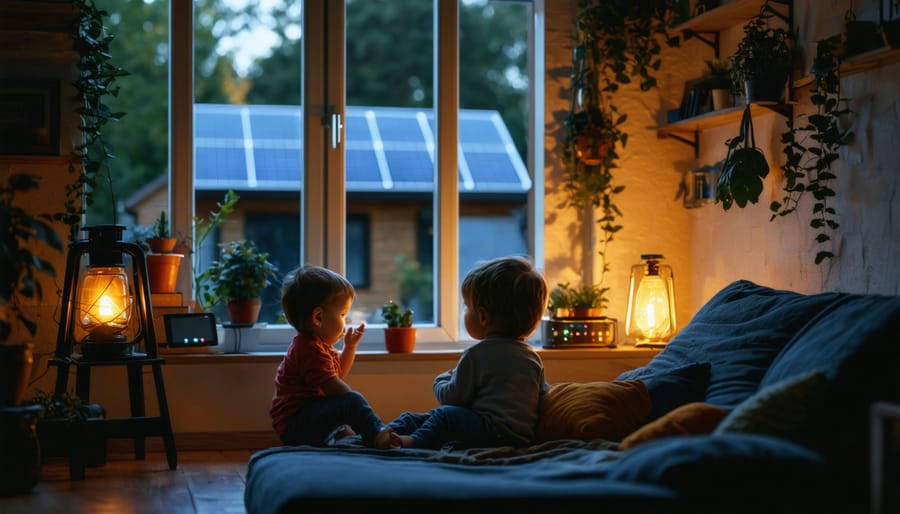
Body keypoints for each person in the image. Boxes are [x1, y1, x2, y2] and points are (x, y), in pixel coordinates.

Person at [375, 256, 549, 450]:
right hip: (520, 437)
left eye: (466, 307)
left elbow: (452, 398)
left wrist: (441, 380)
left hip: (492, 432)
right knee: (428, 417)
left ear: (483, 316)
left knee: (445, 415)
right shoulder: (532, 358)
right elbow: (543, 394)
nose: (464, 312)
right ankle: (382, 433)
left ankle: (409, 441)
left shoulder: (478, 354)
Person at [270, 264, 392, 447]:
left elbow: (337, 374)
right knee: (351, 402)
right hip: (296, 423)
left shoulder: (319, 346)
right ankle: (378, 435)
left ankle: (352, 441)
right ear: (318, 317)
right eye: (343, 314)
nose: (345, 321)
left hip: (308, 416)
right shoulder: (307, 349)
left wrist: (349, 348)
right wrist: (354, 407)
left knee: (346, 424)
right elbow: (334, 387)